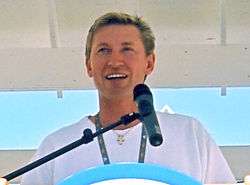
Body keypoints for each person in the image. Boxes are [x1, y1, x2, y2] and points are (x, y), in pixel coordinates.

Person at [19, 12, 235, 185]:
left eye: (127, 49)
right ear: (88, 66)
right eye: (104, 50)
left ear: (149, 63)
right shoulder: (58, 145)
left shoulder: (190, 134)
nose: (115, 61)